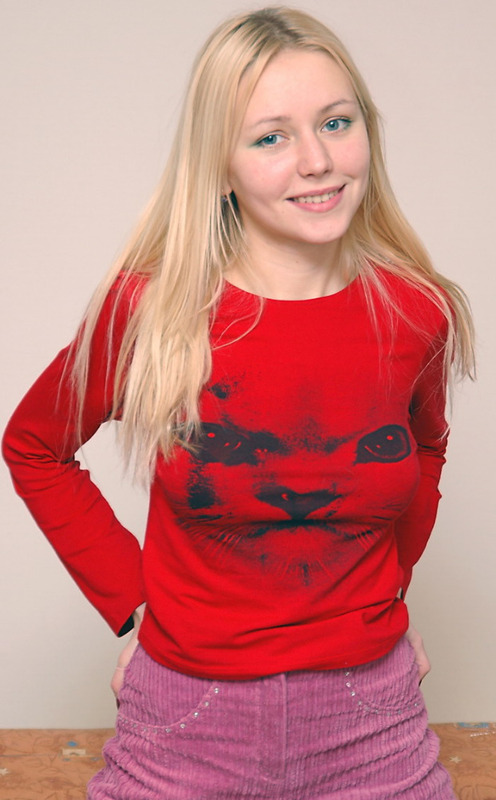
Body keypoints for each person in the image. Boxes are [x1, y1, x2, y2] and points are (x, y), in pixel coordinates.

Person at [2, 6, 474, 799]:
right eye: (270, 138)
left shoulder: (415, 312)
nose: (317, 161)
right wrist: (135, 604)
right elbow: (34, 445)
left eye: (336, 122)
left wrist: (389, 589)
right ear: (218, 165)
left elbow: (423, 448)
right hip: (187, 717)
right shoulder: (151, 312)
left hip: (372, 718)